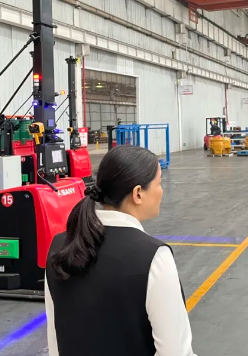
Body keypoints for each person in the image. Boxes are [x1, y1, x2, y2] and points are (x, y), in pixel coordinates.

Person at [45, 146, 196, 356]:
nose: (162, 191)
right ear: (138, 194)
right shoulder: (153, 257)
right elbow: (175, 351)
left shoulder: (60, 246)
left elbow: (55, 338)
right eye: (159, 183)